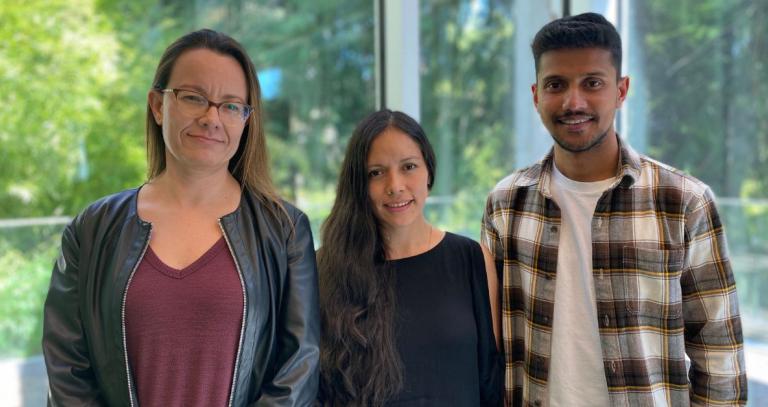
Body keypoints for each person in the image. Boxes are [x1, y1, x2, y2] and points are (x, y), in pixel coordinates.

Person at [481, 12, 747, 407]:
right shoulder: (506, 203)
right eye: (557, 85)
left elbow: (719, 353)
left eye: (592, 83)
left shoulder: (684, 201)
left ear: (621, 90)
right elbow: (491, 344)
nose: (574, 102)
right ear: (537, 96)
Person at [42, 29, 320, 406]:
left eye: (231, 105)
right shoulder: (92, 229)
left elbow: (298, 368)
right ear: (158, 105)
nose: (211, 117)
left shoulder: (284, 231)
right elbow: (67, 371)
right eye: (193, 98)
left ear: (246, 120)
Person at [317, 109, 502, 406]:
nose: (395, 185)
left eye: (409, 167)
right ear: (358, 185)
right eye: (376, 173)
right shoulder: (323, 270)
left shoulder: (472, 260)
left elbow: (491, 382)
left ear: (429, 171)